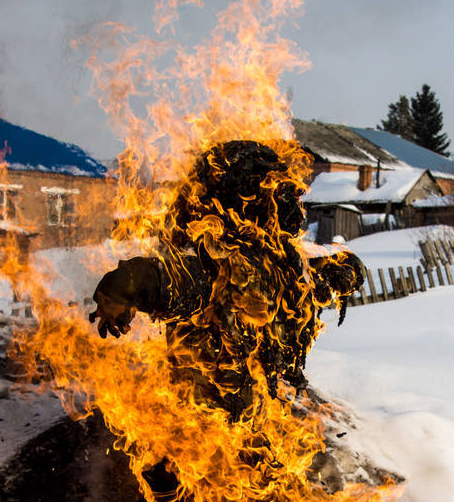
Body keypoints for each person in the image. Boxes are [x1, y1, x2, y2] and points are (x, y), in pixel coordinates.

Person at [89, 140, 363, 418]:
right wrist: (122, 289)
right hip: (207, 416)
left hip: (251, 400)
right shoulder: (217, 261)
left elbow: (311, 272)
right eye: (275, 188)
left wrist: (345, 271)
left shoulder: (273, 255)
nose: (292, 198)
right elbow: (169, 278)